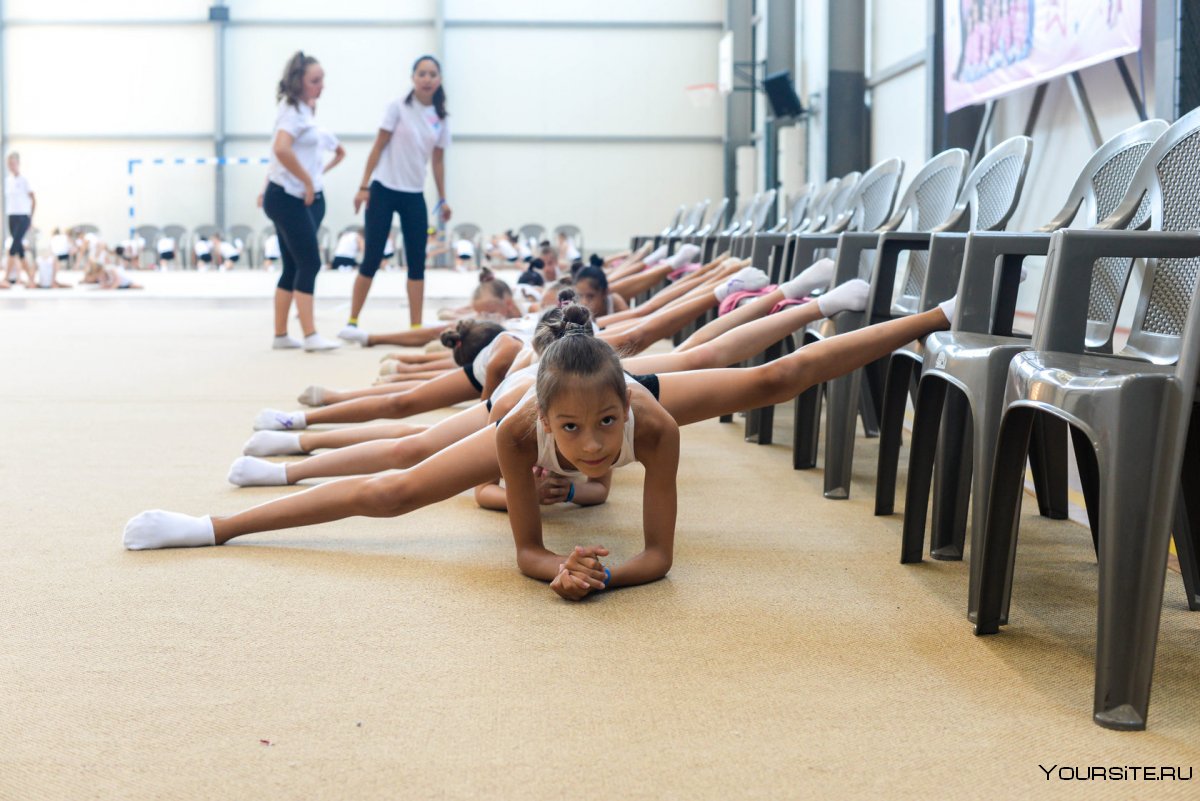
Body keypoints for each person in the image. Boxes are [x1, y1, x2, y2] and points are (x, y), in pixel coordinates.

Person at [123, 294, 955, 602]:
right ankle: (214, 525)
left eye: (605, 427)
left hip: (611, 377)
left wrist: (598, 573)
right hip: (525, 386)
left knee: (770, 379)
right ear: (544, 423)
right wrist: (554, 564)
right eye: (576, 432)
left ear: (624, 405)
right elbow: (523, 544)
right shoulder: (520, 425)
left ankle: (935, 312)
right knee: (397, 487)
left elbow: (660, 553)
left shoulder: (651, 422)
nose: (595, 448)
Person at [344, 55, 452, 335]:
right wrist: (363, 186)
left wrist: (442, 198)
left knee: (417, 260)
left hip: (414, 194)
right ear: (413, 78)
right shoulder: (397, 107)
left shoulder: (440, 117)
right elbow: (378, 146)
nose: (427, 79)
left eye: (432, 74)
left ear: (438, 80)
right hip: (383, 189)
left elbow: (438, 161)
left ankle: (415, 325)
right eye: (422, 74)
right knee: (372, 256)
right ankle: (352, 321)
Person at [262, 51, 342, 352]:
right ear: (298, 82)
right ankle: (310, 335)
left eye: (322, 80)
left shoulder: (303, 110)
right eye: (315, 81)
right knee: (310, 261)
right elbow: (281, 149)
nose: (321, 86)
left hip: (285, 193)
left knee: (292, 266)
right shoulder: (293, 113)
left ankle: (281, 335)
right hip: (288, 197)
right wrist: (308, 181)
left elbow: (279, 156)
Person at [4, 152, 35, 289]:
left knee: (13, 247)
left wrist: (30, 219)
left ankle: (5, 278)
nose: (11, 166)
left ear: (18, 163)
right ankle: (31, 279)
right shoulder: (7, 181)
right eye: (9, 164)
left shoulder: (25, 180)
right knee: (20, 250)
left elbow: (33, 199)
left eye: (13, 163)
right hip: (11, 216)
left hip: (23, 217)